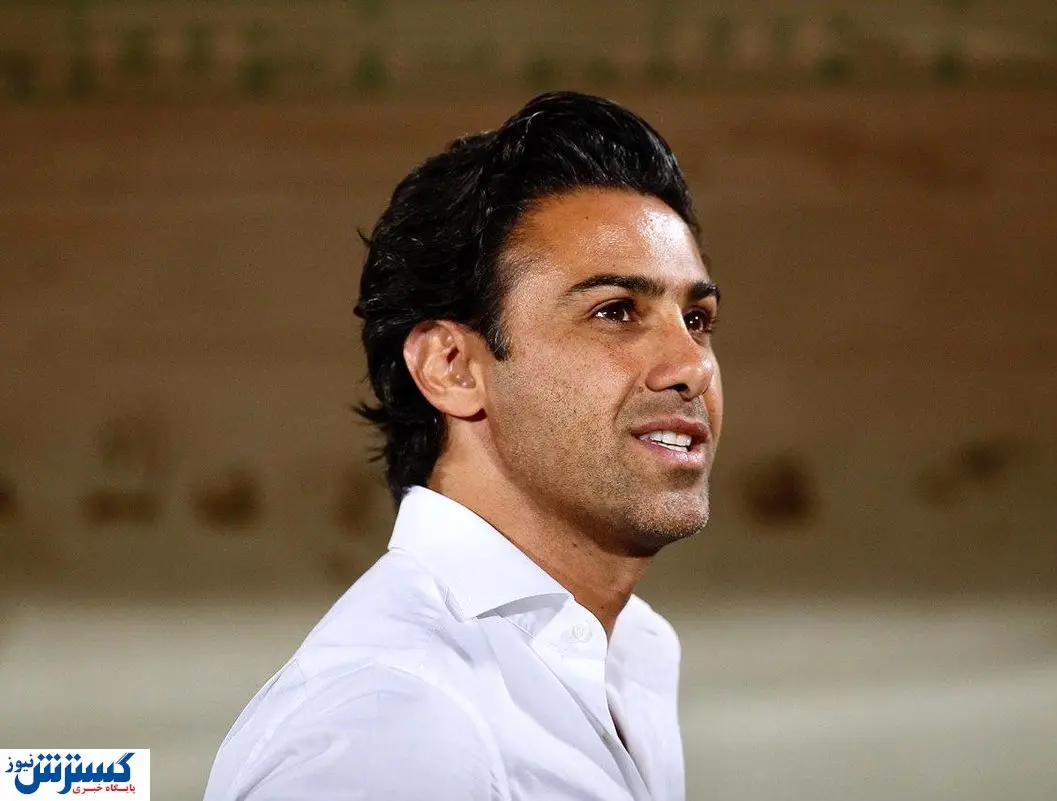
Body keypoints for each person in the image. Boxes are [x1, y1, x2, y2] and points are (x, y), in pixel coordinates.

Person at [203, 91, 723, 801]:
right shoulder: (390, 727)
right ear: (451, 367)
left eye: (697, 319)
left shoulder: (630, 656)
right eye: (615, 311)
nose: (691, 366)